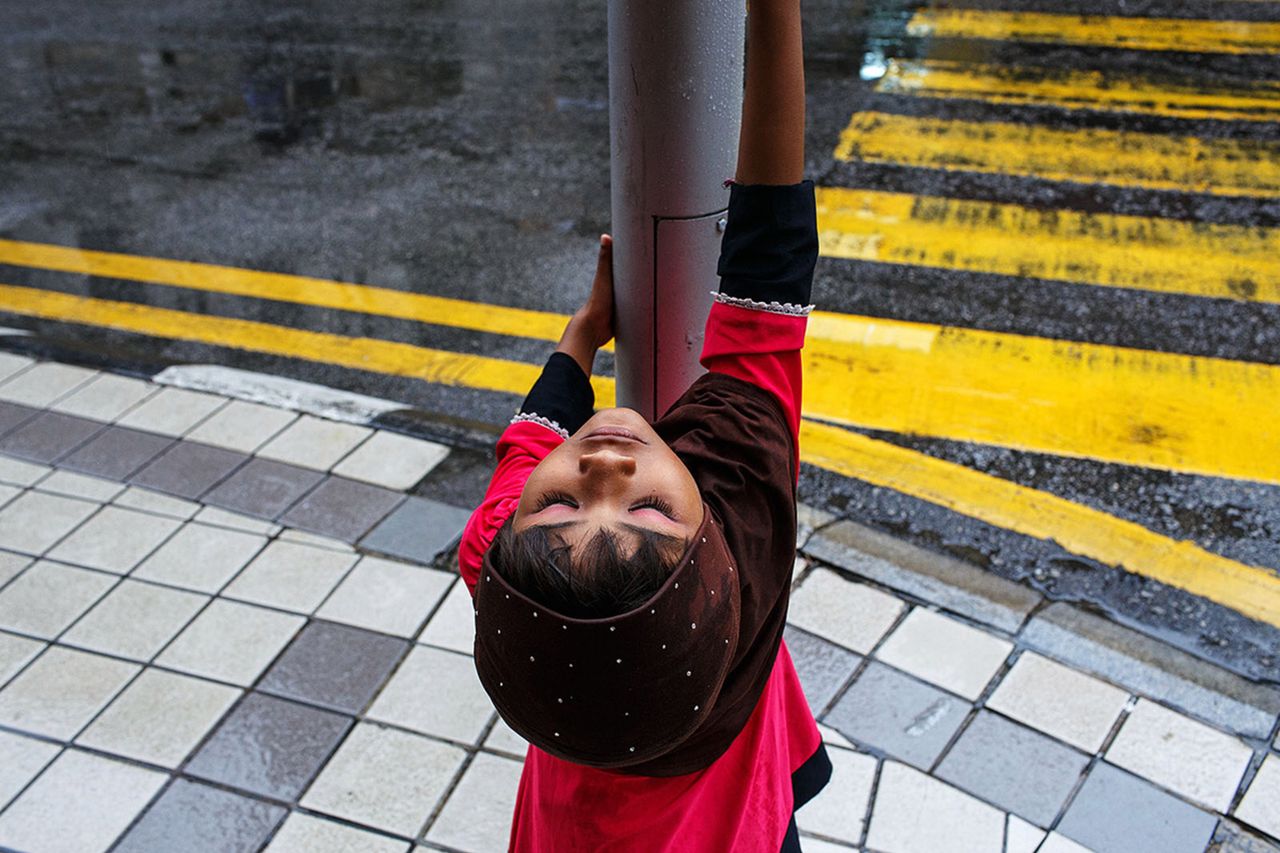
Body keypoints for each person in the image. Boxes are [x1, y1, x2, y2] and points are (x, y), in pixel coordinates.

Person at [458, 0, 830, 848]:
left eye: (558, 508)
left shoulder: (505, 559)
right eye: (651, 514)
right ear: (716, 556)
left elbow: (529, 445)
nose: (603, 476)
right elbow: (766, 254)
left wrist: (584, 333)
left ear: (510, 533)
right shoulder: (514, 561)